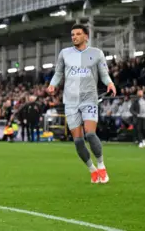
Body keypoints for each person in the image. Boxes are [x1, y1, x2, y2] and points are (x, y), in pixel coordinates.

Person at [47, 24, 116, 184]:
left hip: (89, 99)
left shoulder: (96, 53)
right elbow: (58, 72)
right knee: (78, 141)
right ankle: (92, 170)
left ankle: (101, 165)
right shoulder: (65, 54)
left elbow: (104, 73)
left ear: (86, 36)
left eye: (78, 34)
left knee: (90, 134)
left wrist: (110, 83)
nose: (74, 37)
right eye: (72, 34)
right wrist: (53, 84)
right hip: (70, 101)